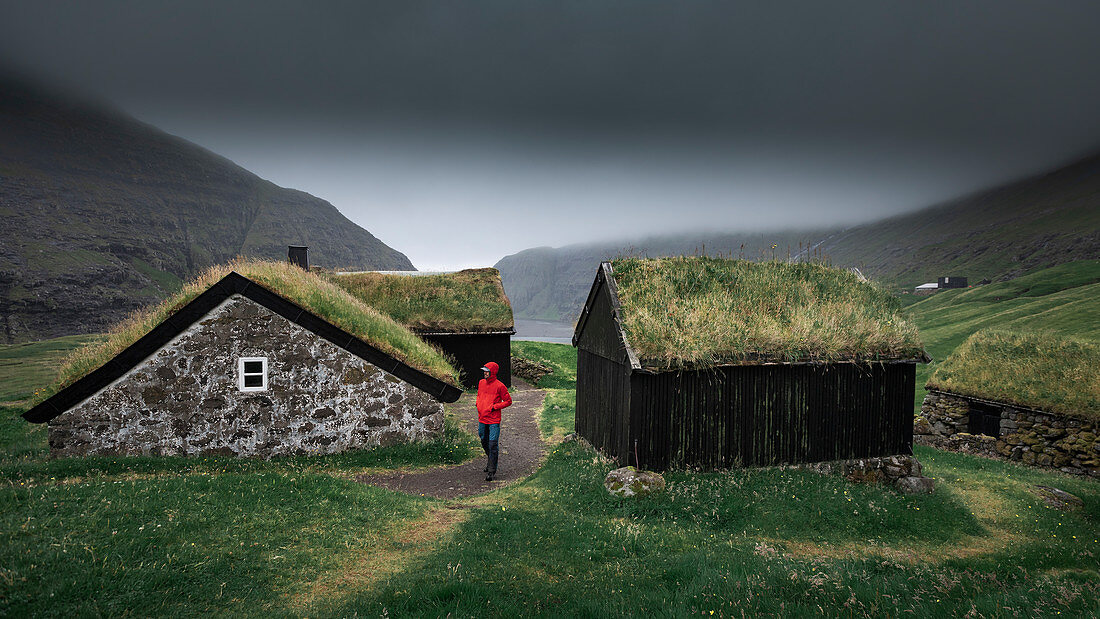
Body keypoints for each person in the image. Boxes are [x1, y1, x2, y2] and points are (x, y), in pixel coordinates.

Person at [475, 361, 511, 481]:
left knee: (492, 444)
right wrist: (478, 404)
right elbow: (479, 396)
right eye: (484, 371)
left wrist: (494, 407)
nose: (484, 373)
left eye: (487, 371)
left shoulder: (500, 386)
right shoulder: (481, 383)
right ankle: (491, 460)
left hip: (494, 420)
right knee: (483, 440)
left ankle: (491, 471)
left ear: (493, 372)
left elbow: (508, 401)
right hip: (482, 418)